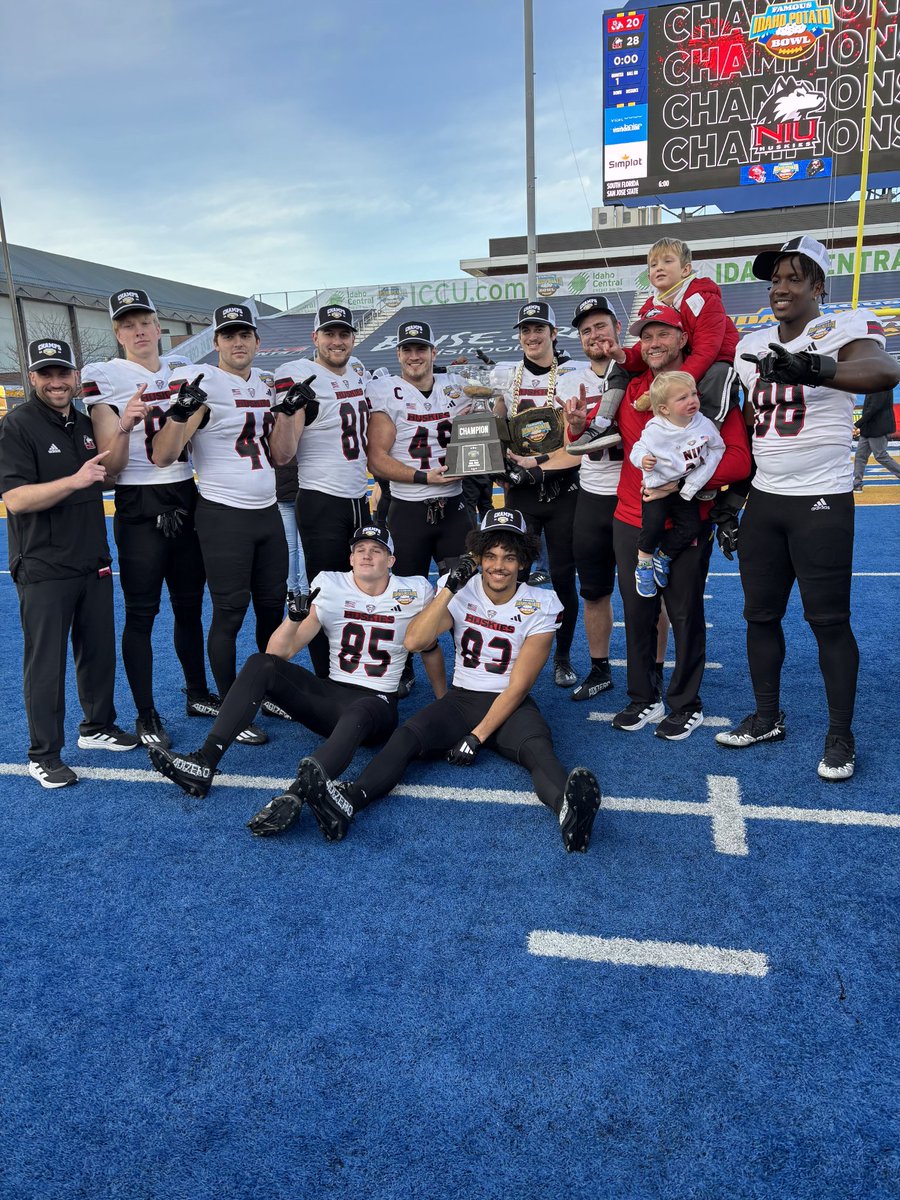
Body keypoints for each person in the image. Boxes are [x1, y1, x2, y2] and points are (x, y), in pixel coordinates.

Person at [294, 509, 602, 854]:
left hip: (509, 702)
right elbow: (414, 642)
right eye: (491, 556)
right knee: (406, 738)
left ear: (523, 562)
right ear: (479, 556)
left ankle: (569, 811)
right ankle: (349, 801)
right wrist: (450, 589)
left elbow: (520, 685)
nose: (498, 566)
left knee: (539, 752)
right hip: (461, 699)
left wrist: (476, 736)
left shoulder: (541, 602)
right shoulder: (458, 589)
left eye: (509, 558)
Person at [718, 236, 900, 780]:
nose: (780, 286)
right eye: (774, 278)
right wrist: (734, 496)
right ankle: (768, 715)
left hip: (821, 498)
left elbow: (882, 372)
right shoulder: (750, 345)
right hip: (767, 500)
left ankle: (840, 733)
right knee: (759, 616)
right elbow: (753, 428)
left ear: (819, 286)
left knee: (828, 621)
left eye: (794, 277)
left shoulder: (846, 327)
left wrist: (811, 369)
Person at [146, 523, 445, 830]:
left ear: (391, 560)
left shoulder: (416, 590)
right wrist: (293, 619)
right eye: (360, 550)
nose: (367, 556)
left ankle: (295, 794)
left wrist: (443, 704)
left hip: (378, 704)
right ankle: (204, 761)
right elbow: (279, 653)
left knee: (360, 708)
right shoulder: (330, 585)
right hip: (332, 696)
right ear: (351, 558)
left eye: (376, 550)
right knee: (261, 663)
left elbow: (430, 648)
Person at [568, 306, 751, 740]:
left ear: (684, 339)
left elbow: (739, 460)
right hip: (629, 518)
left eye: (663, 334)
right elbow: (594, 446)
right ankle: (642, 696)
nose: (653, 344)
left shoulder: (704, 394)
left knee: (685, 613)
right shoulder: (631, 390)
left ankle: (686, 703)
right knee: (637, 611)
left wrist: (675, 481)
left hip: (686, 519)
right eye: (646, 337)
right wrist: (577, 429)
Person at [0, 339, 140, 788]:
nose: (57, 382)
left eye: (64, 373)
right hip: (42, 564)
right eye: (47, 374)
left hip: (92, 558)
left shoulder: (83, 423)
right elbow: (17, 499)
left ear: (75, 377)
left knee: (97, 652)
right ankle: (43, 753)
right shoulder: (17, 425)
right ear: (33, 377)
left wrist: (123, 430)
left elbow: (111, 474)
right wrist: (75, 480)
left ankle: (97, 727)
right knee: (46, 663)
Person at [80, 288, 213, 749]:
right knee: (140, 613)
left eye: (145, 322)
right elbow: (110, 468)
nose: (139, 331)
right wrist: (126, 424)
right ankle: (145, 711)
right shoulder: (105, 377)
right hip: (137, 500)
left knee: (190, 606)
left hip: (184, 492)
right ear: (118, 334)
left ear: (159, 328)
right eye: (128, 324)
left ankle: (197, 692)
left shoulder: (183, 371)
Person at [152, 304, 288, 744]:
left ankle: (268, 689)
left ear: (256, 340)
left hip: (267, 510)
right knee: (230, 613)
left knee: (272, 608)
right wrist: (177, 413)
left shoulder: (266, 384)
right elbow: (163, 455)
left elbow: (281, 452)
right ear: (216, 343)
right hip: (224, 513)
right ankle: (232, 707)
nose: (237, 342)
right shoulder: (203, 382)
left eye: (244, 334)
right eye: (228, 335)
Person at [366, 319, 473, 695]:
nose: (415, 355)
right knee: (403, 594)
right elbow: (377, 459)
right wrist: (424, 478)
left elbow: (480, 436)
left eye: (421, 349)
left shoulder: (457, 389)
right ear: (398, 354)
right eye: (407, 350)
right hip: (409, 509)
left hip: (454, 508)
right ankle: (402, 665)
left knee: (463, 590)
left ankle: (468, 669)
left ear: (433, 353)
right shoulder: (386, 392)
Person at [268, 305, 371, 677]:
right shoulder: (298, 375)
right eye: (329, 333)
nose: (337, 341)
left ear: (353, 339)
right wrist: (288, 410)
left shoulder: (359, 370)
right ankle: (327, 677)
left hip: (359, 498)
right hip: (322, 499)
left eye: (344, 333)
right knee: (325, 596)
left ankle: (355, 667)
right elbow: (282, 454)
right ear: (315, 338)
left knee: (363, 590)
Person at [489, 301, 581, 688]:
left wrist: (540, 465)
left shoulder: (574, 374)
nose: (531, 335)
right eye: (525, 329)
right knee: (514, 574)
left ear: (554, 333)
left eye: (539, 328)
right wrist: (497, 463)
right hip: (521, 495)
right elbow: (495, 424)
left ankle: (561, 657)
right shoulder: (506, 376)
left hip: (562, 489)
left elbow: (577, 438)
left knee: (562, 577)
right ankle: (511, 652)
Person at [556, 296, 629, 700]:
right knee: (594, 591)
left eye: (600, 326)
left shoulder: (637, 368)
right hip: (591, 493)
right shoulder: (569, 380)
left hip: (635, 494)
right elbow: (571, 444)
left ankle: (651, 670)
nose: (594, 335)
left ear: (617, 327)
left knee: (646, 590)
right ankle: (599, 668)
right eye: (586, 330)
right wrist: (575, 428)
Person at [595, 238, 739, 440]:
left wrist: (672, 388)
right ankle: (603, 422)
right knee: (620, 363)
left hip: (714, 357)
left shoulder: (704, 298)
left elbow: (706, 351)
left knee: (719, 374)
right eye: (653, 265)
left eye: (667, 261)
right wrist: (622, 354)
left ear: (686, 269)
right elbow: (644, 347)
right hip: (684, 353)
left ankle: (704, 436)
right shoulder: (651, 306)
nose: (659, 268)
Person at [629, 372, 725, 598]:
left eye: (693, 394)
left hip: (685, 489)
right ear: (664, 409)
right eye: (682, 398)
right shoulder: (656, 429)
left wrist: (695, 479)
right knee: (652, 527)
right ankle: (643, 564)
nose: (692, 400)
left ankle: (663, 556)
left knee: (691, 527)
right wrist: (643, 459)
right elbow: (637, 449)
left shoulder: (704, 424)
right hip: (657, 490)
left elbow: (717, 448)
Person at [853, 388, 900, 491]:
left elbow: (873, 409)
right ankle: (857, 484)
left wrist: (857, 425)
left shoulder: (882, 386)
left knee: (880, 455)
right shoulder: (875, 385)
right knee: (860, 456)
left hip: (878, 427)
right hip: (868, 428)